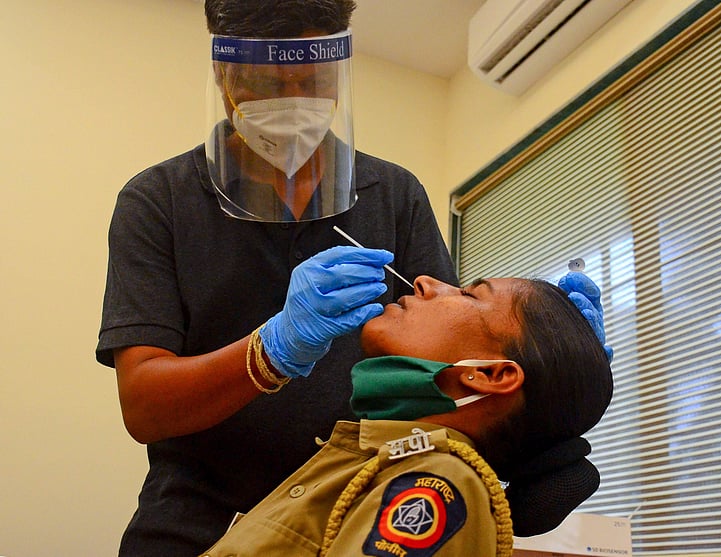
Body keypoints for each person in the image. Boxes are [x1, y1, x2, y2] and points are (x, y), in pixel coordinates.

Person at [97, 1, 611, 555]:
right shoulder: (159, 201)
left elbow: (451, 369)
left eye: (312, 78)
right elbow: (145, 408)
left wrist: (554, 369)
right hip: (195, 523)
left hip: (362, 497)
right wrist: (270, 352)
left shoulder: (392, 193)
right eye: (269, 82)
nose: (294, 99)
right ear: (225, 75)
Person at [199, 274, 613, 556]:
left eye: (470, 294)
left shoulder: (438, 486)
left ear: (489, 375)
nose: (425, 282)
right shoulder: (372, 461)